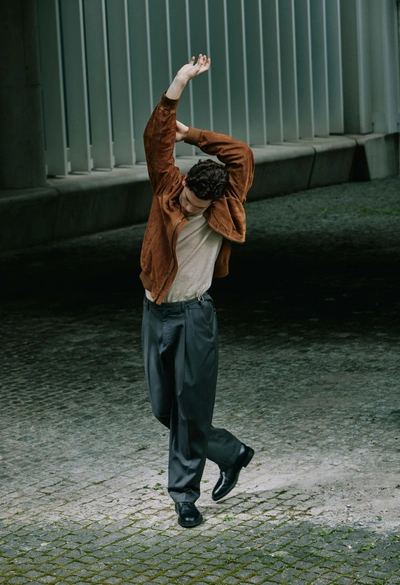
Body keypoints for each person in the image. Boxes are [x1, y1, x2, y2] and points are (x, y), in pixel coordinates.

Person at [140, 54, 255, 528]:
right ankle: (231, 451)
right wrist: (179, 85)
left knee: (191, 408)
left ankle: (184, 497)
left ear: (214, 200)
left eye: (197, 206)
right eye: (188, 200)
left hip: (194, 317)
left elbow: (241, 155)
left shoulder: (225, 203)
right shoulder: (169, 185)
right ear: (184, 183)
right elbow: (155, 140)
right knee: (164, 408)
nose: (188, 209)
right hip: (155, 312)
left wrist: (196, 134)